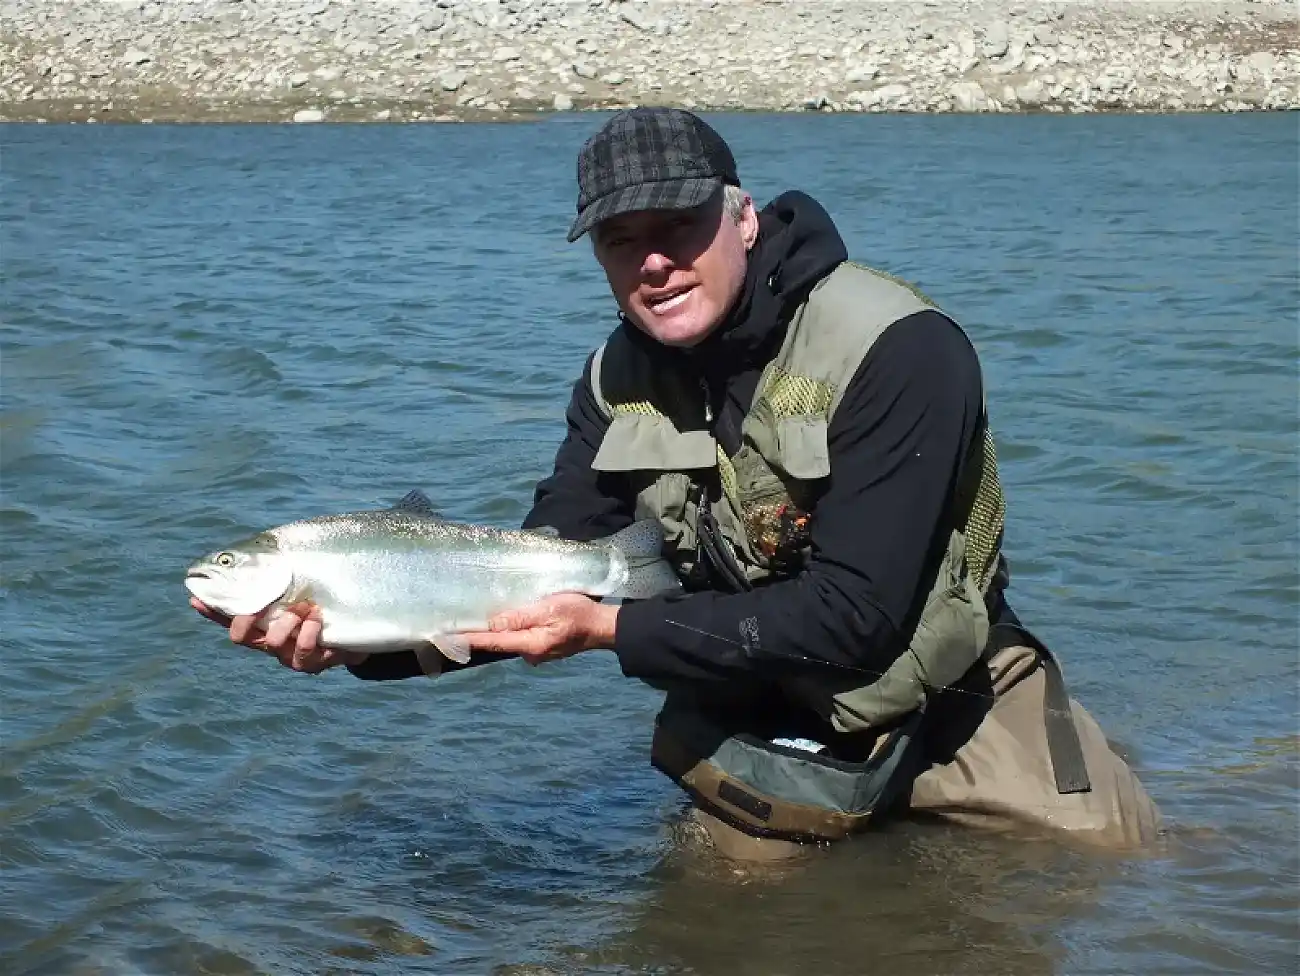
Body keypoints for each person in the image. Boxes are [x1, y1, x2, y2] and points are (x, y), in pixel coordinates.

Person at [191, 108, 1162, 858]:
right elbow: (534, 587)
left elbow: (858, 614)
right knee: (718, 932)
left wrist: (611, 627)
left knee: (1141, 883)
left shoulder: (898, 347)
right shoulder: (613, 383)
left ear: (742, 216)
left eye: (680, 224)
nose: (654, 260)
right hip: (749, 705)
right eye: (622, 239)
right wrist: (362, 648)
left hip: (957, 706)